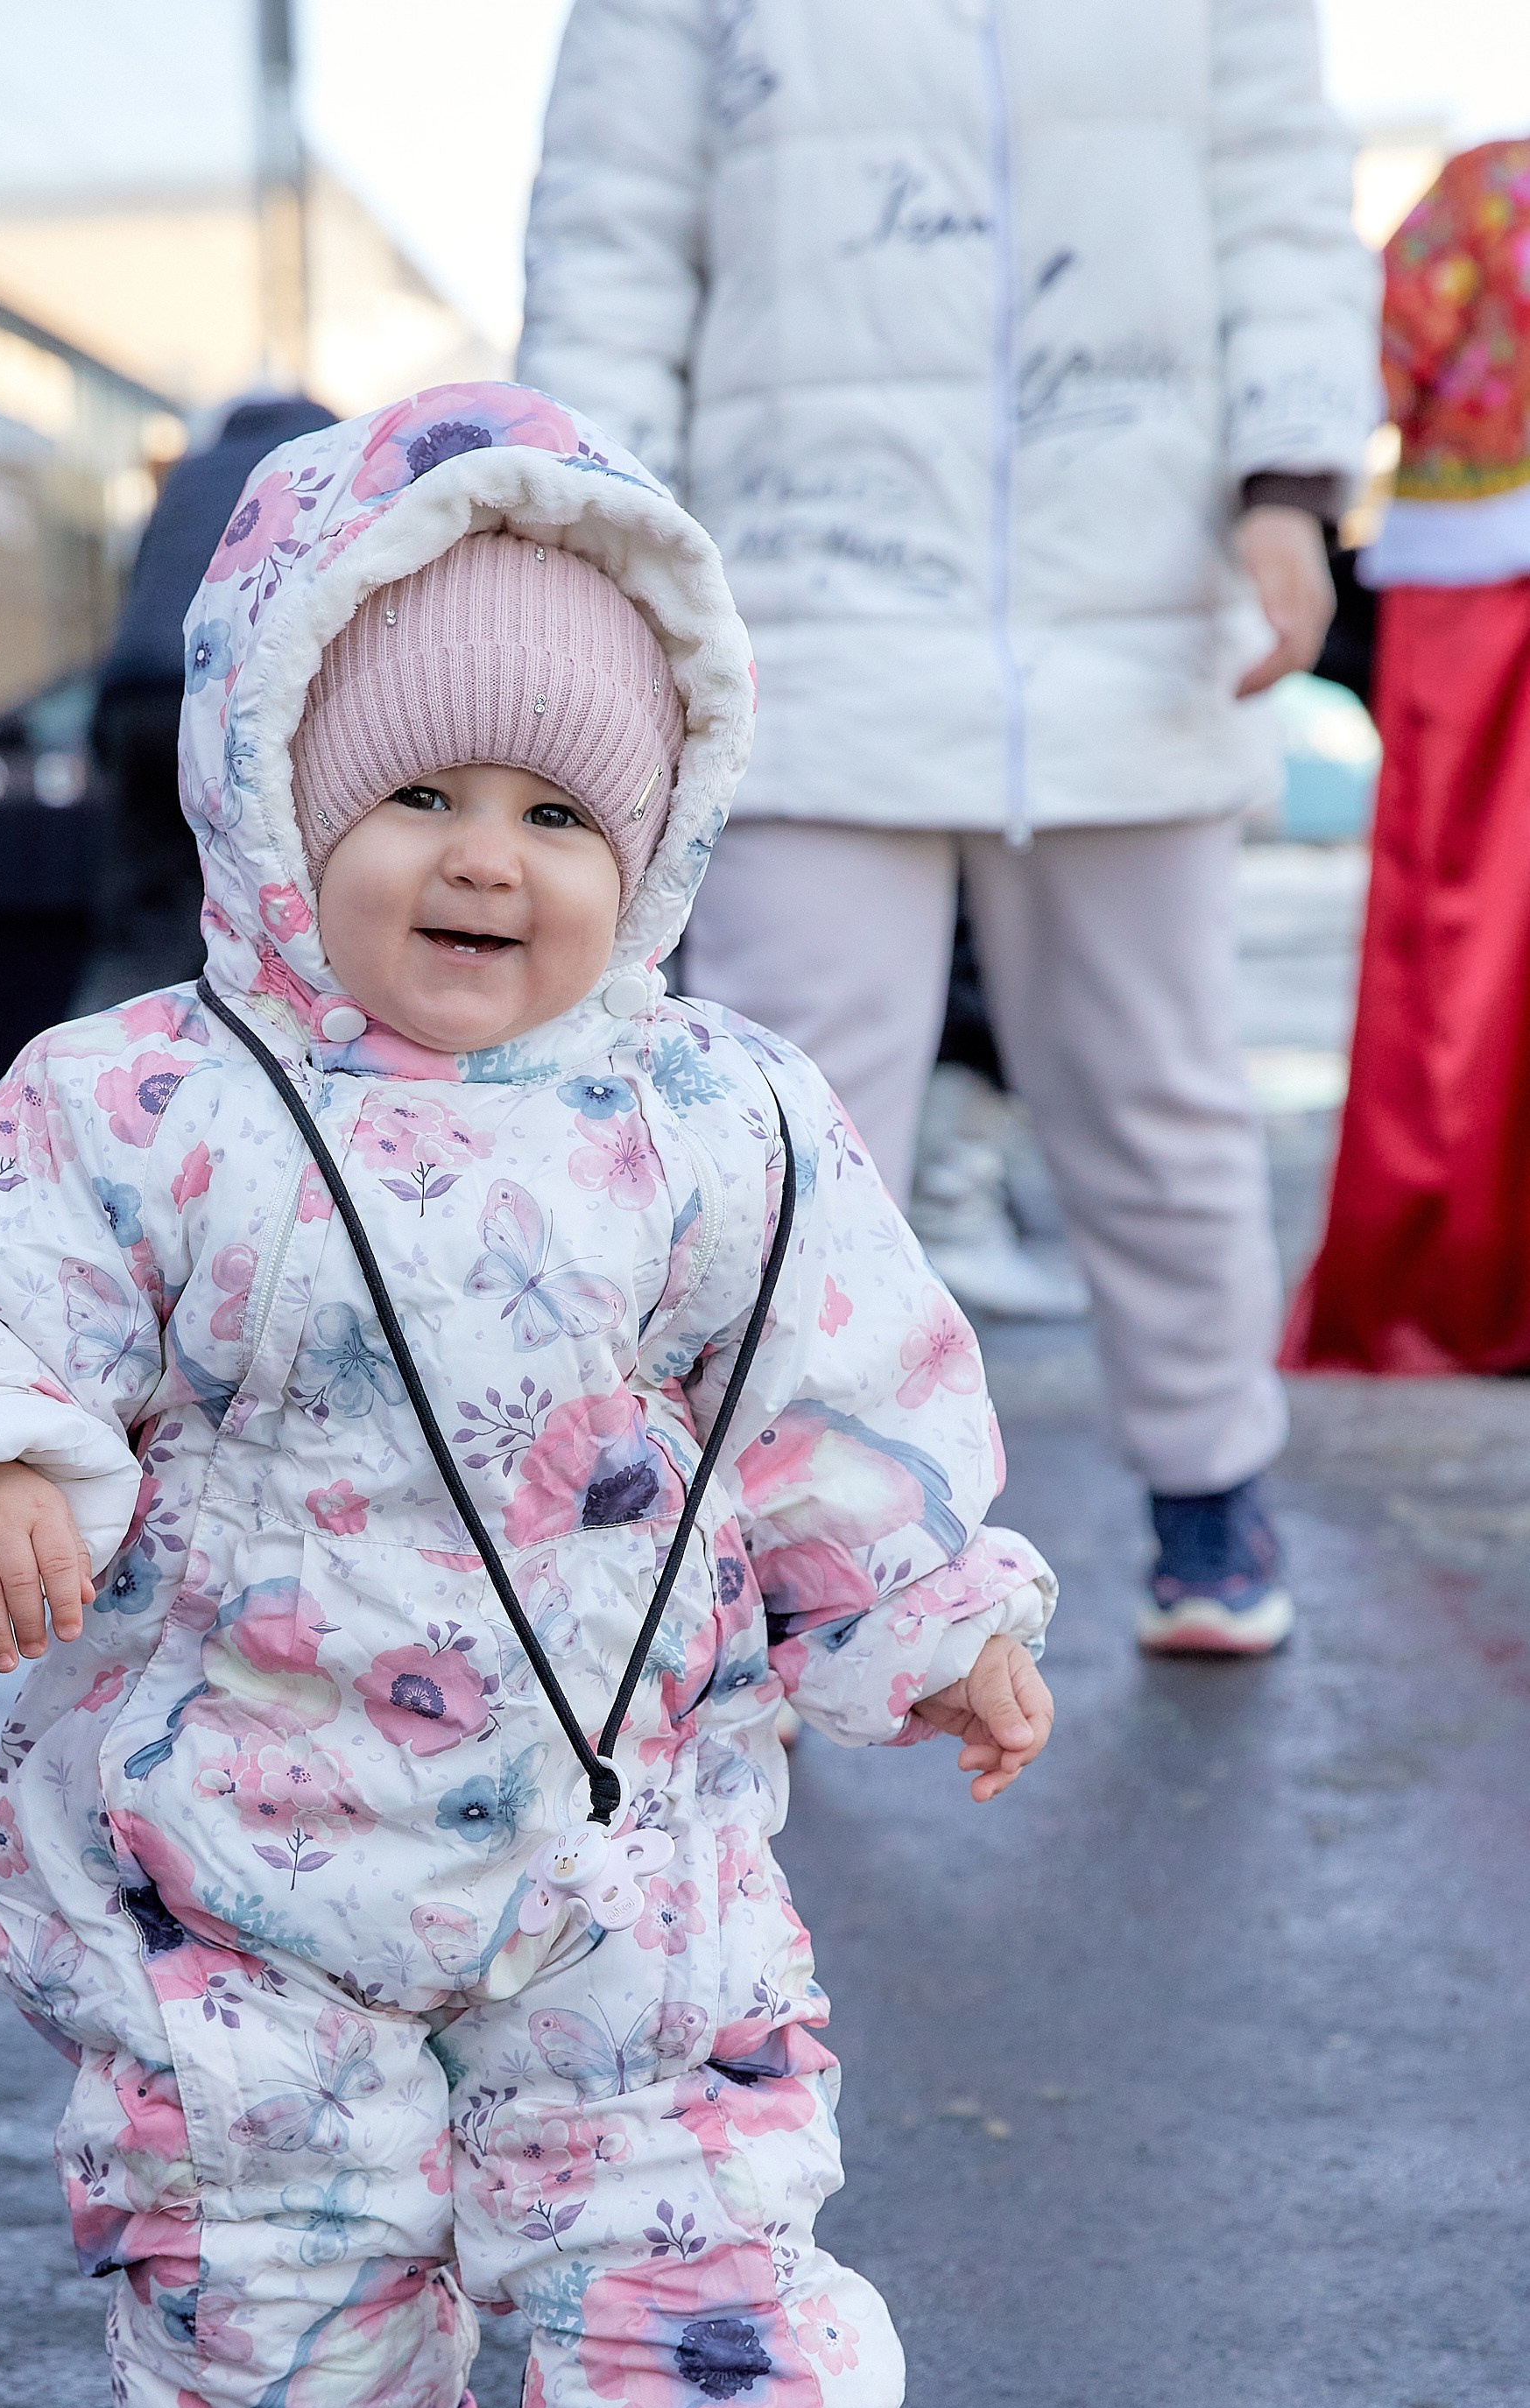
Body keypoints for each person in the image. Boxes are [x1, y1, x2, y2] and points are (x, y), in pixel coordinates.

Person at [0, 386, 1069, 2408]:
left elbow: (836, 1392)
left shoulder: (716, 1117)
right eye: (419, 799)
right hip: (242, 1862)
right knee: (266, 2239)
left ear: (654, 836)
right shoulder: (138, 1103)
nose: (486, 862)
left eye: (556, 812)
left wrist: (923, 1607)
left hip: (624, 1858)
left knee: (688, 2208)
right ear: (276, 799)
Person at [518, 0, 1378, 1655]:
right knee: (777, 1126)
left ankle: (1208, 1486)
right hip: (803, 606)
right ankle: (765, 1549)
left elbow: (1279, 188)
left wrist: (1289, 480)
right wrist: (597, 527)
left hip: (1136, 590)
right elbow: (612, 234)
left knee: (1158, 1094)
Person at [1284, 142, 1530, 1377]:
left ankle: (1442, 1282)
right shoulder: (1487, 191)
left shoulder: (1484, 192)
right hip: (1471, 587)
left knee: (1459, 937)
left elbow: (1371, 369)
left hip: (1471, 589)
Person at [82, 394, 335, 1009]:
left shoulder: (190, 473)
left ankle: (90, 1073)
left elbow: (139, 586)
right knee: (243, 908)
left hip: (135, 695)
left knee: (141, 912)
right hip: (228, 692)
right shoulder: (324, 462)